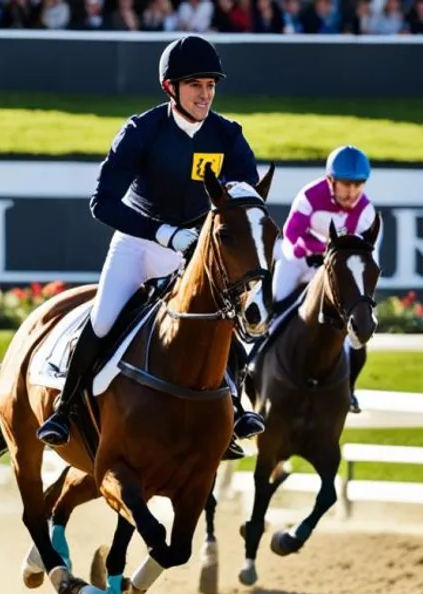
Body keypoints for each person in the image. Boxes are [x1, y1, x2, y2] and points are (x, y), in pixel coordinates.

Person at [35, 34, 266, 456]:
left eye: (211, 85)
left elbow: (247, 194)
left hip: (193, 252)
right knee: (105, 320)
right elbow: (101, 203)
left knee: (223, 323)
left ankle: (235, 407)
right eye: (195, 85)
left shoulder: (228, 134)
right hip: (138, 245)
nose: (205, 94)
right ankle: (64, 411)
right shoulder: (142, 130)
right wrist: (163, 233)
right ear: (170, 88)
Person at [274, 144, 378, 413]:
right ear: (330, 180)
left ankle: (349, 391)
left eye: (358, 185)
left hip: (333, 269)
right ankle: (250, 371)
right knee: (272, 310)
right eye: (345, 185)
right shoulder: (310, 196)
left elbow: (363, 258)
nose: (352, 193)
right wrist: (313, 252)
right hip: (299, 261)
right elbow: (291, 236)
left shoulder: (366, 212)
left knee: (353, 332)